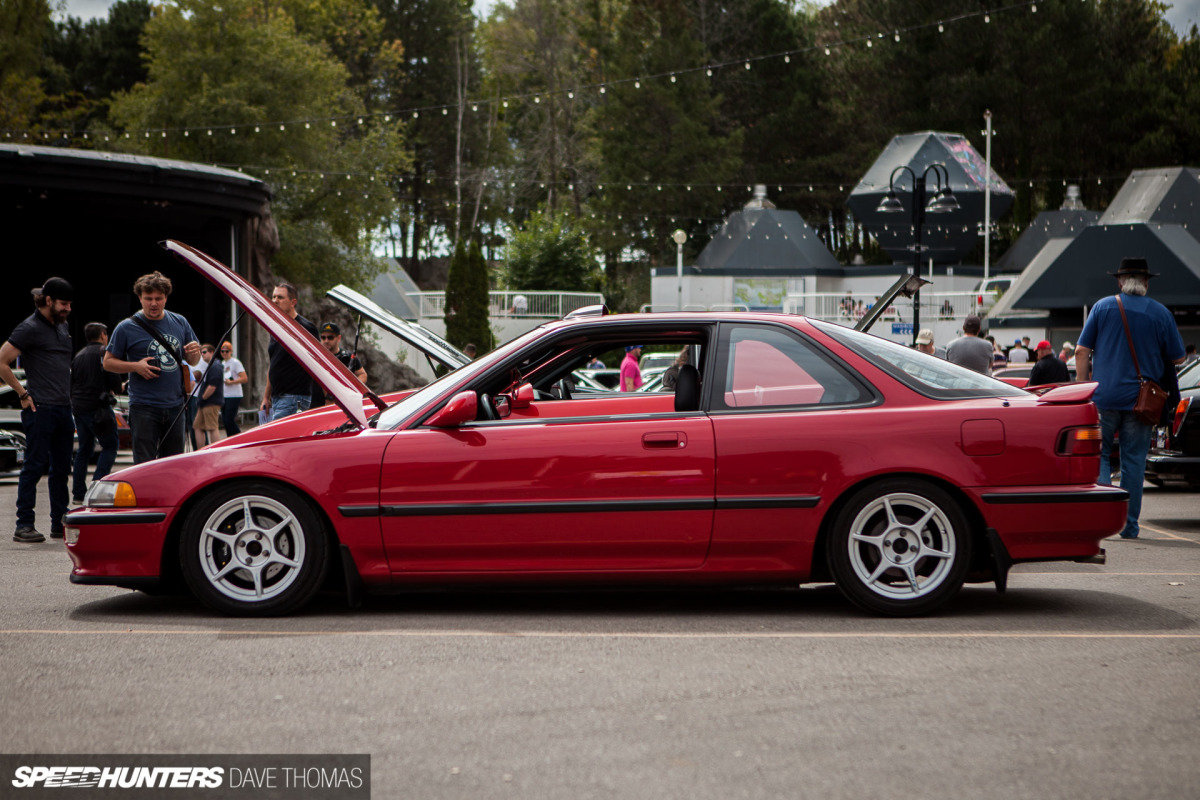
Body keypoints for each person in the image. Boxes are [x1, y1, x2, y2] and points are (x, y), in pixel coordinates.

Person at [1075, 257, 1185, 540]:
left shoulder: (1102, 307)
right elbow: (1179, 357)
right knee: (1133, 461)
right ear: (1146, 282)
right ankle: (1129, 526)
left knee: (1098, 455)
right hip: (1141, 401)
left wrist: (1081, 387)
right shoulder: (1161, 314)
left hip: (1103, 397)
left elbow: (1081, 352)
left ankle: (1102, 520)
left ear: (1120, 282)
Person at [0, 278, 75, 542]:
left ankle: (58, 523)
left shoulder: (63, 326)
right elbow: (1, 361)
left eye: (69, 304)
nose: (68, 308)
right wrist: (22, 394)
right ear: (48, 301)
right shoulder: (29, 327)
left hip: (64, 408)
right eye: (63, 304)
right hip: (40, 407)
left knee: (61, 469)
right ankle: (24, 525)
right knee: (33, 466)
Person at [105, 271, 202, 464]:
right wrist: (135, 366)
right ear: (140, 298)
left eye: (158, 298)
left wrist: (194, 354)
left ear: (166, 297)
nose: (154, 303)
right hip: (144, 406)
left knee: (173, 463)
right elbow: (107, 362)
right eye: (148, 298)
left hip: (175, 405)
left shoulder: (180, 322)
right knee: (144, 463)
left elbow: (193, 360)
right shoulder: (126, 327)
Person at [70, 322, 123, 504]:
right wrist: (118, 387)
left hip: (79, 408)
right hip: (99, 408)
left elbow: (72, 383)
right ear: (102, 335)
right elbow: (115, 381)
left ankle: (78, 493)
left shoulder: (78, 356)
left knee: (84, 449)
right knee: (110, 445)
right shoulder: (104, 353)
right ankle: (97, 487)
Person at [260, 282, 319, 421]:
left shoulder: (305, 328)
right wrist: (265, 397)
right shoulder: (275, 327)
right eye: (273, 296)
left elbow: (318, 362)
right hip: (277, 398)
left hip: (294, 397)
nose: (275, 301)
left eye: (280, 297)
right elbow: (274, 364)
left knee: (275, 439)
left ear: (293, 302)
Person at [313, 322, 367, 406]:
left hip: (338, 404)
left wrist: (350, 391)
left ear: (338, 338)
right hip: (314, 403)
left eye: (330, 337)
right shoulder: (315, 355)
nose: (326, 341)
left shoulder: (347, 356)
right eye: (323, 337)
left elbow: (363, 375)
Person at [192, 344, 223, 447]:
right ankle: (201, 450)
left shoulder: (216, 366)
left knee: (212, 427)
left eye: (204, 352)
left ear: (212, 352)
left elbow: (212, 387)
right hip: (204, 403)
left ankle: (216, 451)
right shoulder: (210, 366)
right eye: (201, 353)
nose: (202, 355)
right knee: (198, 426)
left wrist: (203, 398)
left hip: (211, 402)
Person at [219, 341, 246, 436]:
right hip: (225, 395)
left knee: (229, 419)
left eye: (227, 351)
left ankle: (239, 437)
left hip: (234, 395)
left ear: (231, 352)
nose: (224, 353)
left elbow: (244, 378)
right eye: (222, 351)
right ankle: (230, 438)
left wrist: (232, 382)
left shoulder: (235, 362)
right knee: (225, 420)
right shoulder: (222, 363)